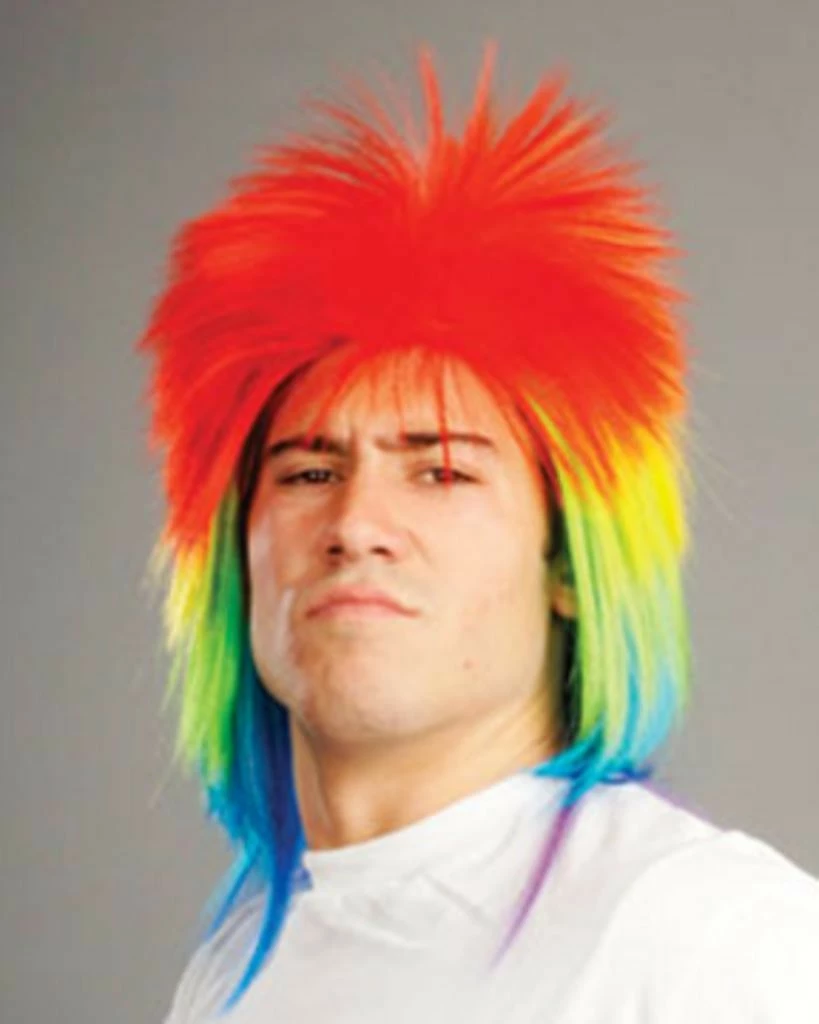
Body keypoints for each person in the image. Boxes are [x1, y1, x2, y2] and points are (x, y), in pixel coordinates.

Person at [138, 43, 819, 1023]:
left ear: (569, 563)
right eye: (308, 473)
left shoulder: (711, 936)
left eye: (442, 471)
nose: (355, 524)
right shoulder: (235, 967)